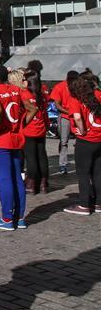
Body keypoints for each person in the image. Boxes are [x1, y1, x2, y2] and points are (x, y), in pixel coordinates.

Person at [0, 66, 35, 230]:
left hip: (0, 141)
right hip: (16, 139)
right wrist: (21, 124)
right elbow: (32, 108)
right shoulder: (16, 90)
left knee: (4, 180)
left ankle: (7, 218)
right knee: (16, 178)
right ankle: (19, 218)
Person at [64, 77, 101, 215]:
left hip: (86, 140)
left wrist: (83, 130)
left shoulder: (75, 99)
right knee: (98, 172)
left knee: (83, 174)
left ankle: (84, 205)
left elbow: (78, 117)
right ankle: (98, 203)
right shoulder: (98, 94)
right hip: (99, 139)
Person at [17, 69, 49, 195]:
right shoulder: (42, 94)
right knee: (42, 156)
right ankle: (43, 184)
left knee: (31, 158)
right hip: (41, 127)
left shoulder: (24, 94)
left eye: (24, 80)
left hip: (29, 129)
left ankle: (31, 184)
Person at [49, 71, 79, 175]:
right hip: (65, 117)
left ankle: (79, 162)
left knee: (79, 141)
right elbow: (57, 105)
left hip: (76, 116)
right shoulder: (60, 87)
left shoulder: (79, 86)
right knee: (64, 141)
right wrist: (69, 112)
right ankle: (63, 164)